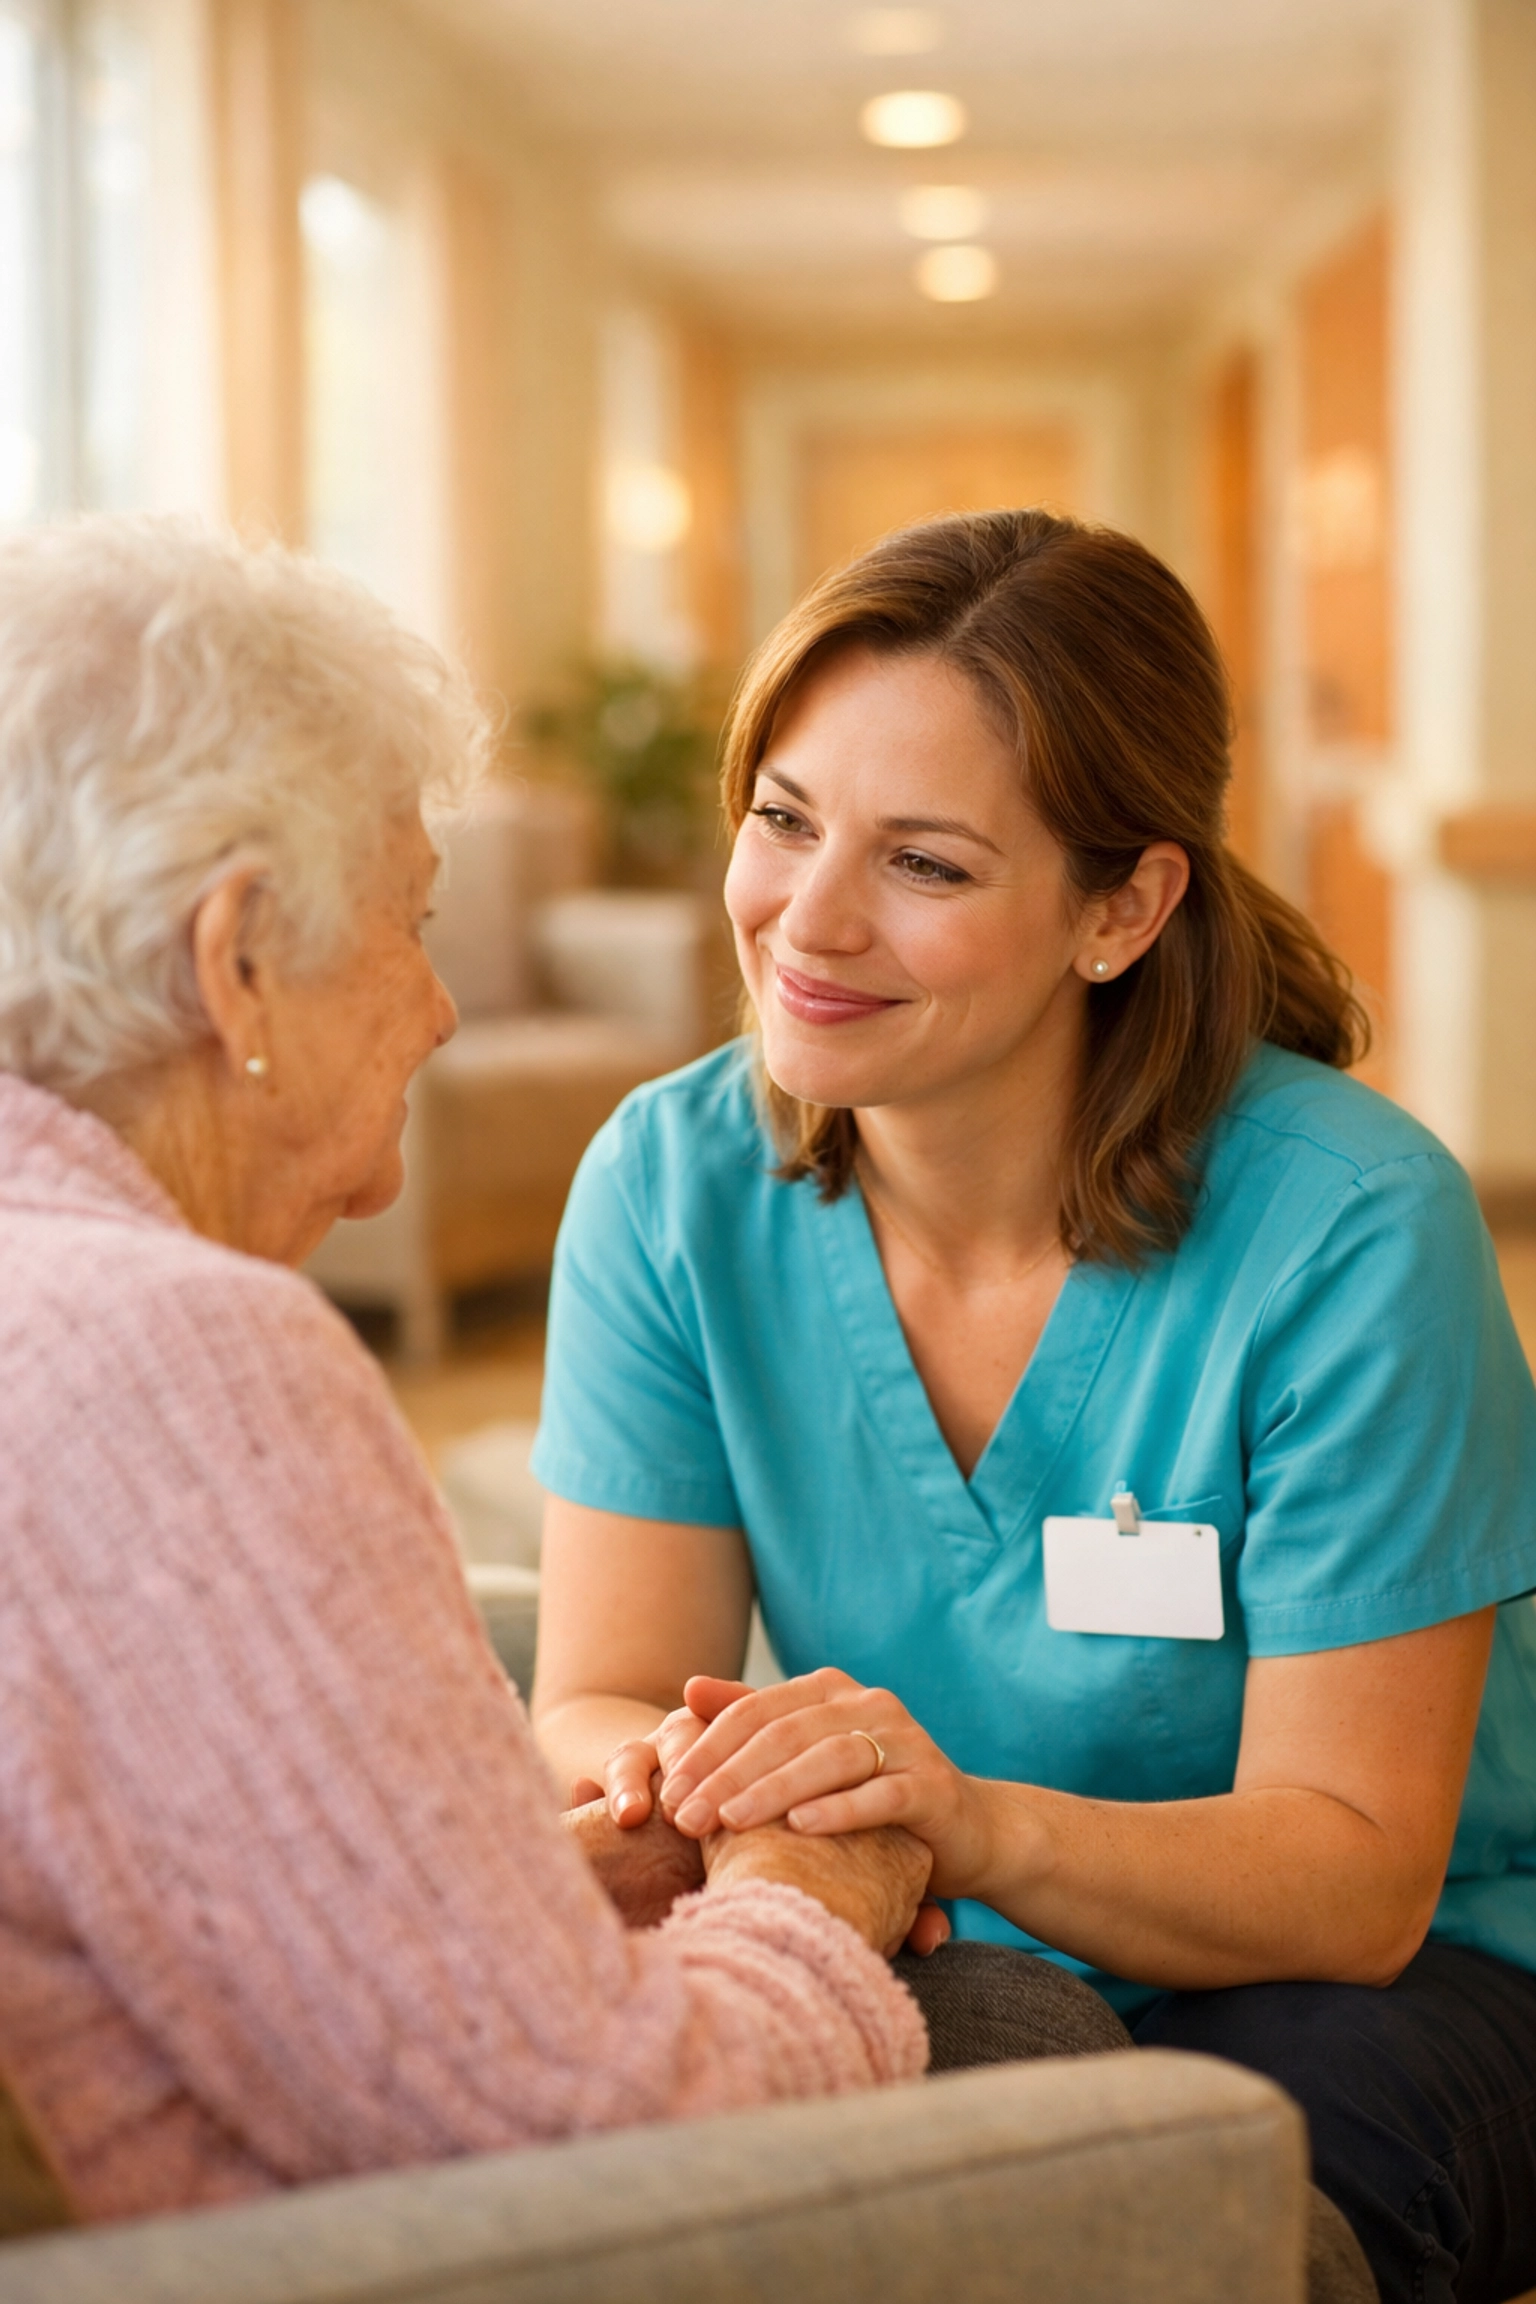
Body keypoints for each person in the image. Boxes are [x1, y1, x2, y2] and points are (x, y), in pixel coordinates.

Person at [530, 509, 1536, 2304]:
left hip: (1394, 1966)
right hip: (939, 1925)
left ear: (1122, 907)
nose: (807, 920)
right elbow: (598, 1687)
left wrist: (956, 1816)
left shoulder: (1353, 1229)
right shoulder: (669, 1185)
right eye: (783, 819)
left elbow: (1356, 1879)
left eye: (924, 863)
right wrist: (712, 1785)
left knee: (1158, 2226)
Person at [0, 515, 936, 2230]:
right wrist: (816, 1886)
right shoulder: (171, 1368)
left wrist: (543, 1883)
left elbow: (182, 1916)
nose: (440, 1010)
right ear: (237, 965)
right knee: (1037, 2032)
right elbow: (590, 2140)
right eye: (411, 925)